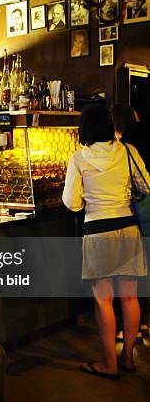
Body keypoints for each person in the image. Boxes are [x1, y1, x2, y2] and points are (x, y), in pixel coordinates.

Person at [63, 104, 149, 378]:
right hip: (128, 227)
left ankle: (109, 364)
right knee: (129, 296)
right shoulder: (127, 151)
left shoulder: (79, 157)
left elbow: (71, 202)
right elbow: (146, 185)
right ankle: (128, 358)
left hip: (99, 230)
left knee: (103, 300)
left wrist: (90, 200)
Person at [112, 103, 150, 343]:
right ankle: (144, 323)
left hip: (138, 214)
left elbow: (141, 185)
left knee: (129, 278)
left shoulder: (126, 146)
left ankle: (130, 328)